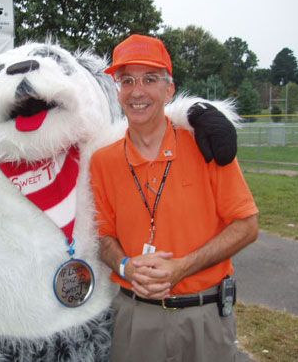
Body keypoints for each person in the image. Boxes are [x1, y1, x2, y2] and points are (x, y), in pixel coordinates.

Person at [89, 34, 259, 362]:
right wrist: (126, 266)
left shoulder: (204, 145)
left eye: (150, 79)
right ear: (117, 90)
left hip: (204, 315)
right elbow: (102, 237)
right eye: (126, 80)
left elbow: (247, 225)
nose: (137, 91)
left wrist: (183, 267)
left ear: (169, 90)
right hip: (135, 316)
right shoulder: (103, 161)